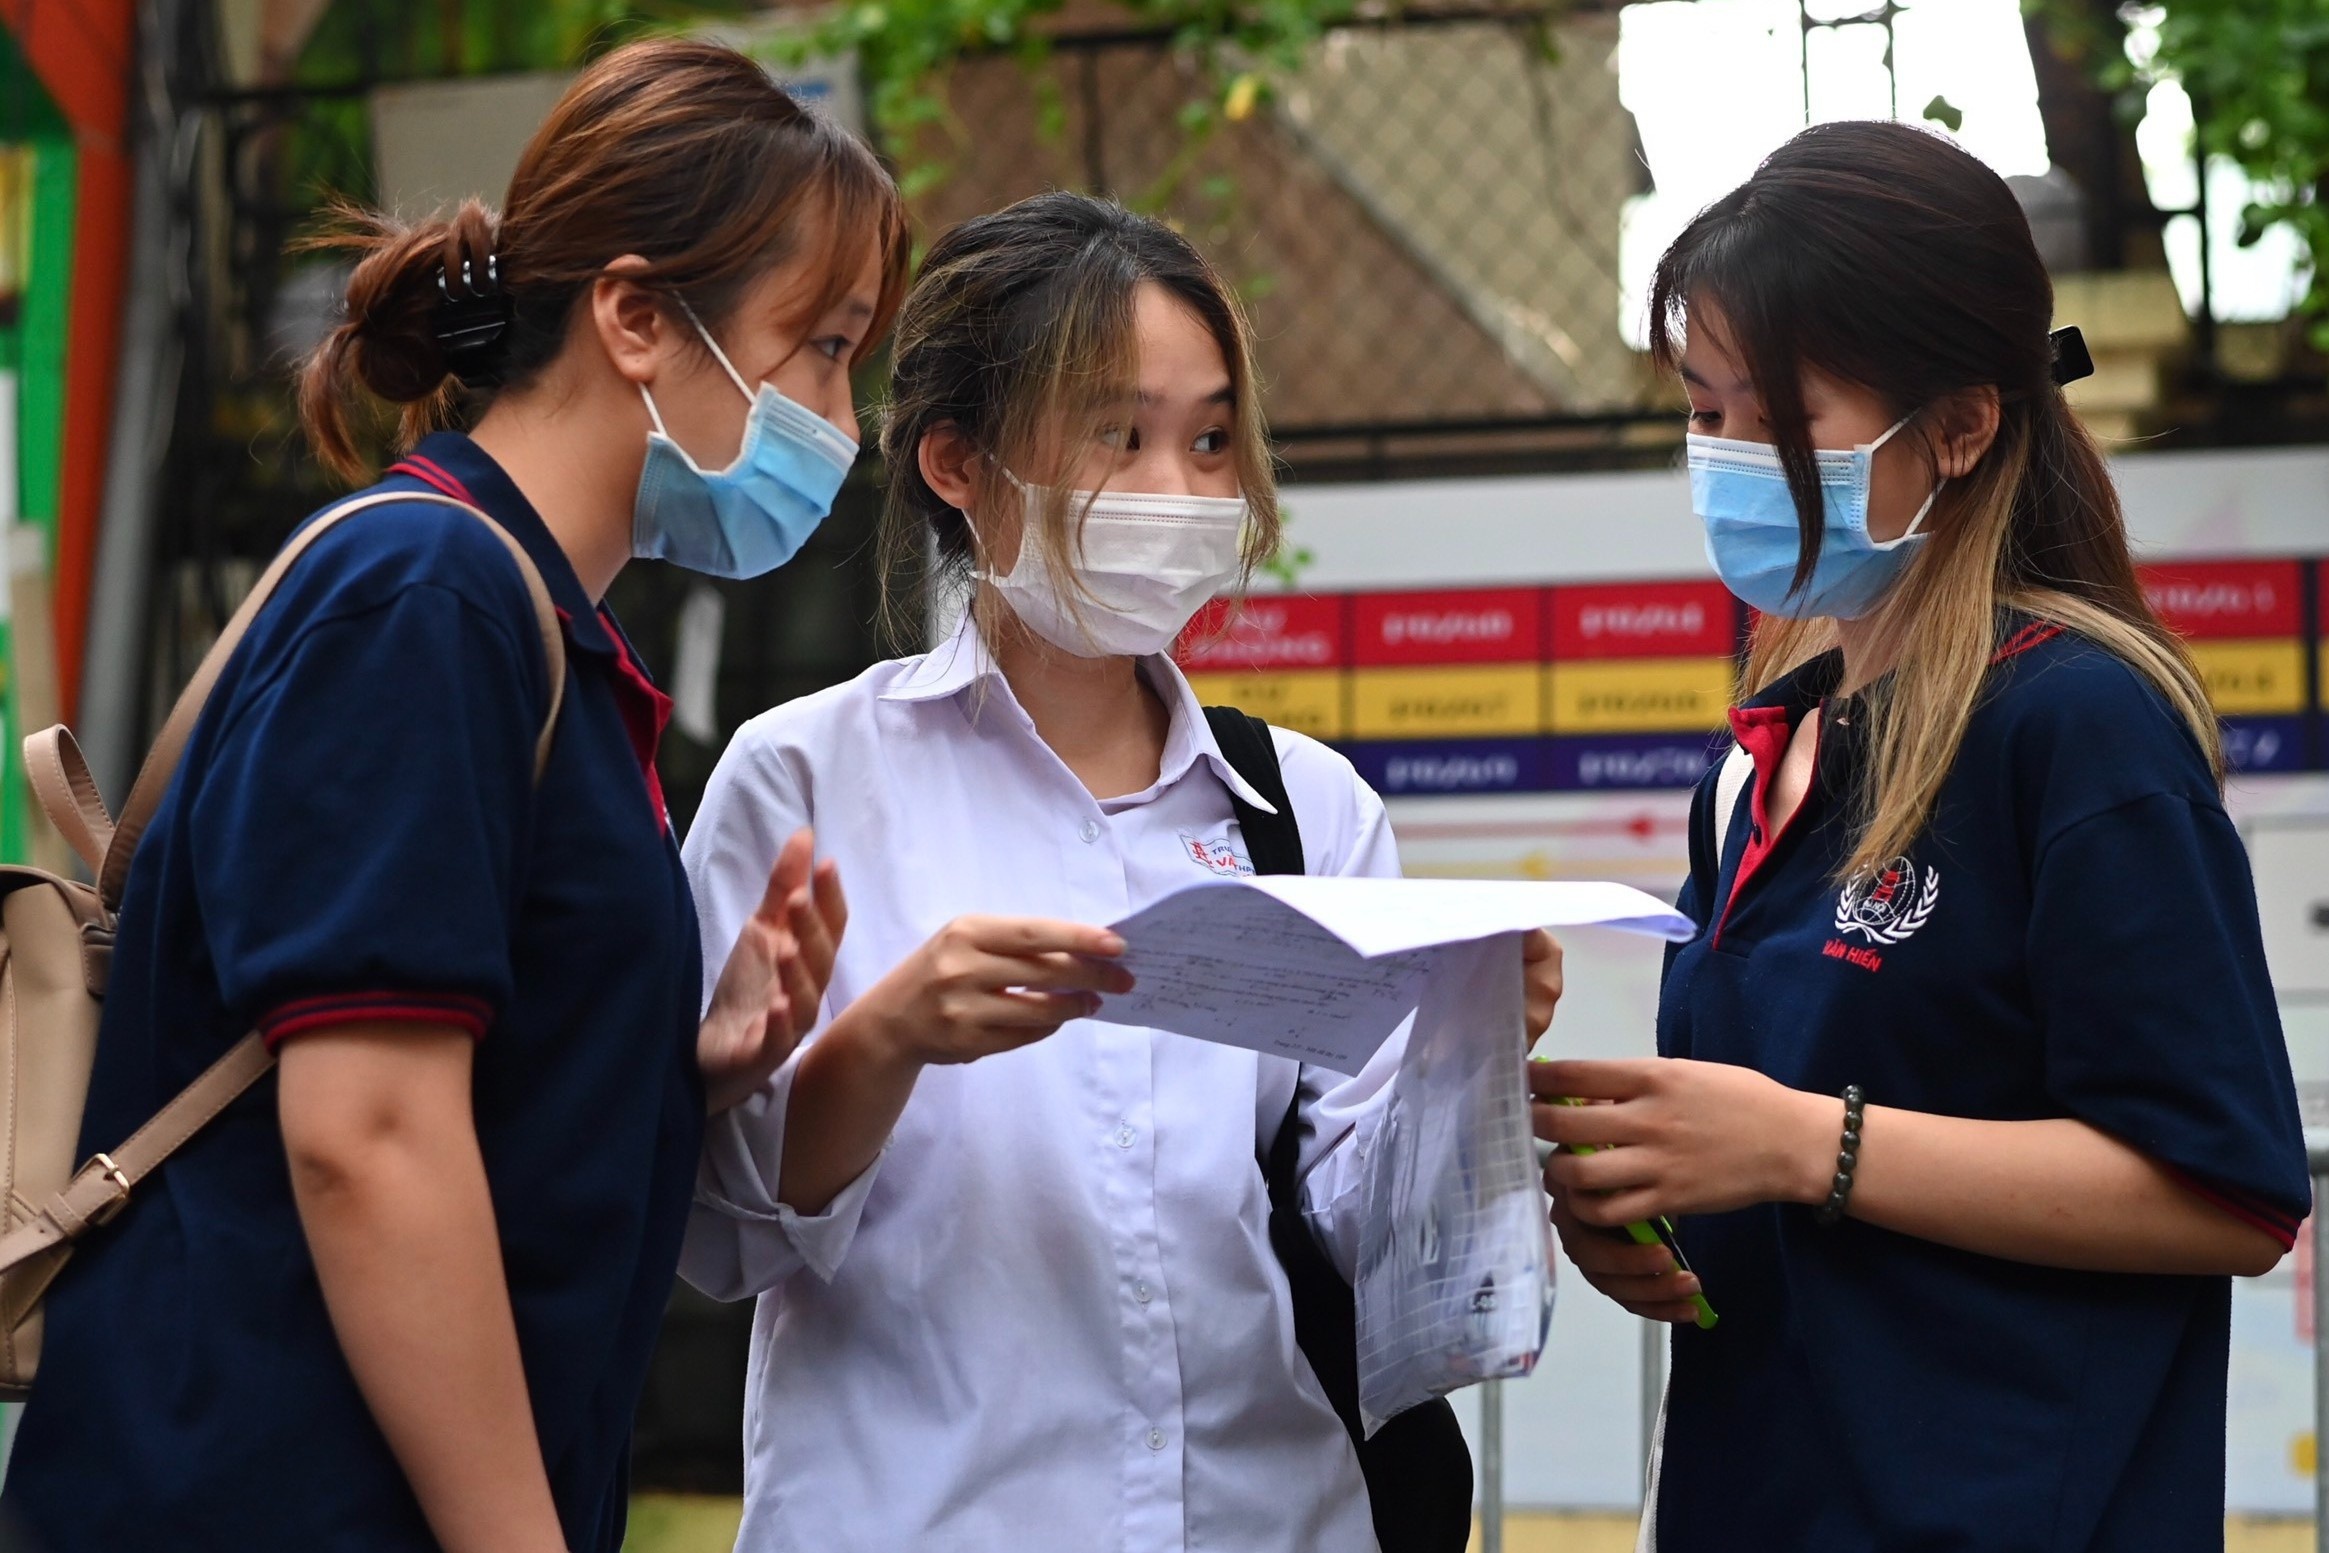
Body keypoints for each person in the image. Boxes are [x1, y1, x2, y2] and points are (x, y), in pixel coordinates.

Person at [2, 40, 907, 1553]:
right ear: (634, 316)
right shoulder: (430, 594)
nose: (843, 417)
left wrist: (677, 1064)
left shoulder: (530, 623)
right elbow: (365, 1133)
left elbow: (458, 1085)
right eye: (820, 346)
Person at [680, 190, 1561, 1552]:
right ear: (956, 463)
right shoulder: (805, 777)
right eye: (1118, 435)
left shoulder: (1306, 808)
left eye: (1209, 440)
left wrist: (1466, 1049)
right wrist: (887, 1039)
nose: (1183, 491)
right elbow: (720, 1238)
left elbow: (1376, 1247)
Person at [1529, 120, 2308, 1552]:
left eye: (1777, 415)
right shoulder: (1764, 752)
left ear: (1959, 426)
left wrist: (1802, 1146)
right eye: (1702, 410)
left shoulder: (2076, 723)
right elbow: (1780, 1158)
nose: (1725, 459)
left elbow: (2226, 1192)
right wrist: (1637, 1206)